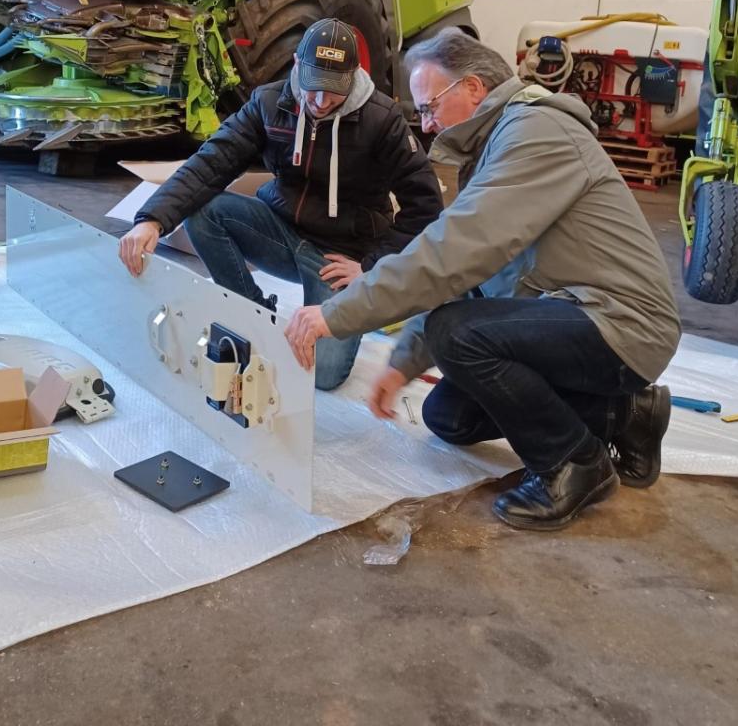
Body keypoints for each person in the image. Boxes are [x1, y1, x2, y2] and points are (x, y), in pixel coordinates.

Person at [285, 29, 681, 530]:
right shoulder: (497, 146)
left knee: (456, 333)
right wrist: (403, 364)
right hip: (571, 314)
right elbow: (469, 277)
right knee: (449, 417)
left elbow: (453, 251)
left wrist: (336, 314)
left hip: (620, 323)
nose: (426, 125)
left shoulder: (536, 133)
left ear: (472, 87)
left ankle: (575, 462)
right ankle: (629, 414)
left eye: (429, 107)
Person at [118, 18, 443, 391]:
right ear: (296, 64)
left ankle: (326, 311)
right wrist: (152, 219)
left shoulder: (382, 121)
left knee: (325, 373)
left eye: (334, 90)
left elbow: (426, 206)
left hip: (341, 256)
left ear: (354, 74)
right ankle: (254, 313)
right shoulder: (269, 103)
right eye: (314, 86)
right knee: (204, 211)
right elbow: (212, 161)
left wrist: (372, 267)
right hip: (281, 230)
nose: (321, 101)